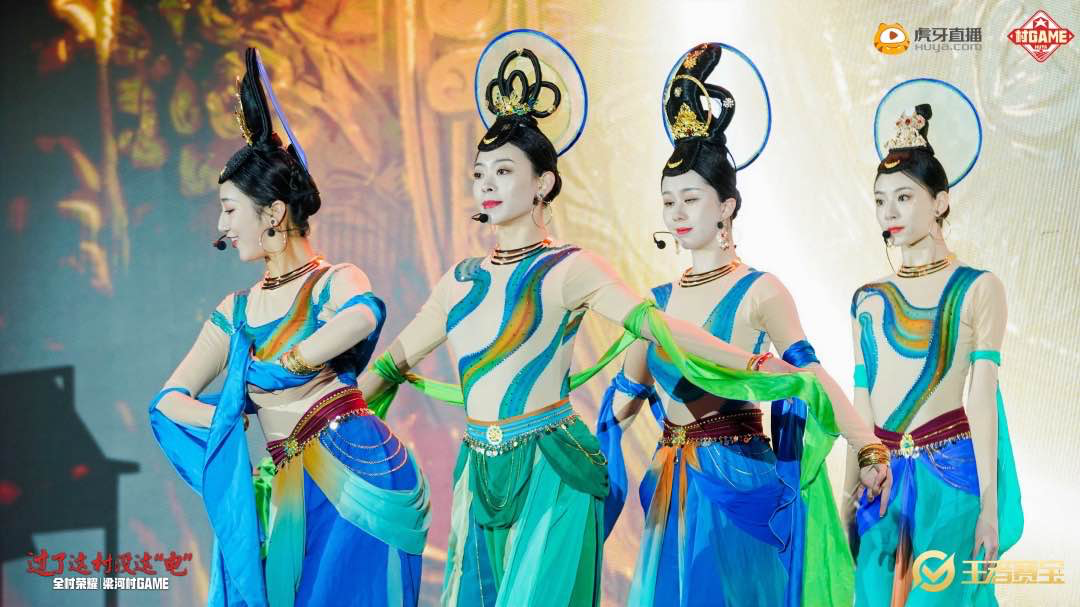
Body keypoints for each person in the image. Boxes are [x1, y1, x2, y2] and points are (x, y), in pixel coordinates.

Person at [355, 31, 811, 607]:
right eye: (479, 173)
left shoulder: (572, 268)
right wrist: (319, 435)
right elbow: (389, 368)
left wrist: (763, 368)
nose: (486, 184)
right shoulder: (459, 281)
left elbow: (659, 328)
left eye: (503, 171)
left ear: (543, 183)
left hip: (553, 471)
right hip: (477, 474)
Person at [597, 42, 887, 607]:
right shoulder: (653, 305)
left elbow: (808, 376)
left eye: (690, 198)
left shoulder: (761, 291)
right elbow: (625, 398)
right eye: (668, 202)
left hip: (740, 478)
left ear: (727, 206)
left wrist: (868, 448)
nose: (677, 213)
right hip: (673, 484)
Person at [148, 47, 429, 607]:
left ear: (273, 213)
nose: (222, 226)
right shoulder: (234, 312)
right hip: (287, 483)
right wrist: (231, 412)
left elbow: (363, 315)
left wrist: (290, 365)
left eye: (230, 209)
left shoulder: (332, 281)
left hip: (355, 463)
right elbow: (168, 401)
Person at [846, 90, 1022, 606]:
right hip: (880, 484)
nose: (889, 211)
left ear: (940, 202)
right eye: (880, 200)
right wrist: (847, 492)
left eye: (904, 197)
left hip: (951, 485)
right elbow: (861, 400)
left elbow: (981, 400)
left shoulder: (978, 287)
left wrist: (989, 506)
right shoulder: (866, 298)